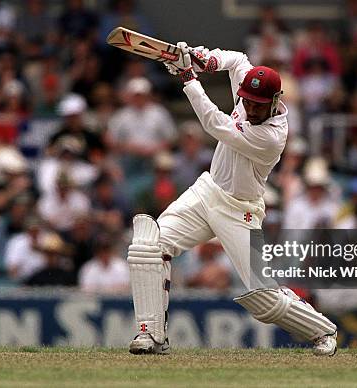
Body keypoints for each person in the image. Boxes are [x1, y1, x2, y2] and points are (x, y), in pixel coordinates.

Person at [125, 43, 337, 356]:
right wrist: (205, 59)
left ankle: (323, 331)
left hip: (241, 211)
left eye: (257, 106)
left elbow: (215, 125)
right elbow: (236, 59)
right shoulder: (248, 92)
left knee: (261, 295)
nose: (250, 109)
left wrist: (188, 78)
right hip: (206, 191)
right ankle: (151, 335)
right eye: (247, 101)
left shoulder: (272, 136)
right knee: (148, 245)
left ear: (275, 101)